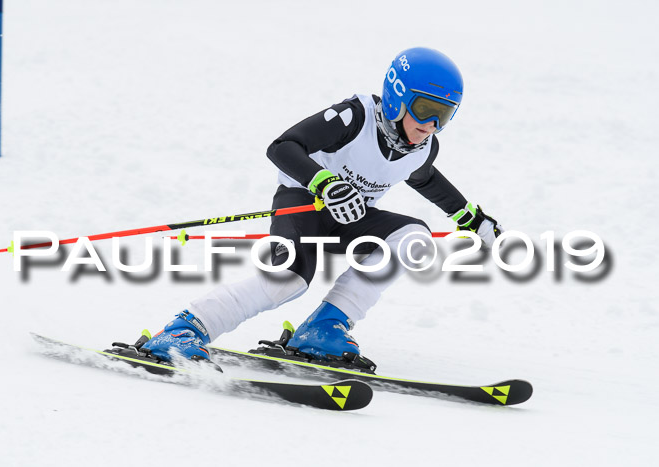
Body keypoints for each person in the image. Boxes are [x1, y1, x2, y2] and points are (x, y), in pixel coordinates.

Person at [140, 47, 503, 365]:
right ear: (397, 96)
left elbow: (425, 179)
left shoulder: (422, 147)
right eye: (425, 110)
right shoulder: (354, 118)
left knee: (414, 238)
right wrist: (325, 183)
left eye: (445, 114)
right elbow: (283, 147)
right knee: (288, 281)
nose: (432, 125)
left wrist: (474, 220)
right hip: (303, 204)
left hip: (351, 219)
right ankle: (184, 330)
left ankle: (324, 327)